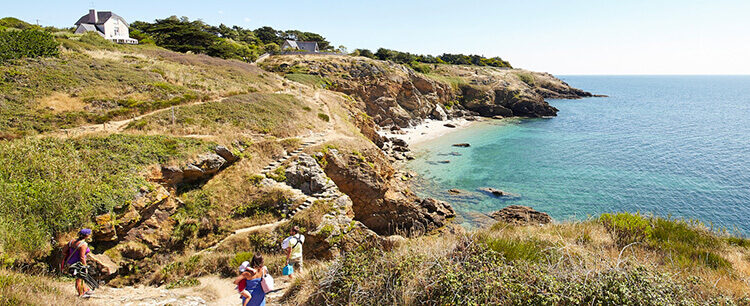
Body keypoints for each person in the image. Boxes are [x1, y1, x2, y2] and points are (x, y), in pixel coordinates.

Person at [60, 228, 98, 298]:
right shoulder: (83, 244)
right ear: (87, 236)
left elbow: (64, 251)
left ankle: (85, 290)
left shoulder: (71, 241)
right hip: (78, 264)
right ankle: (81, 294)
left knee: (81, 278)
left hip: (70, 263)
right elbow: (82, 257)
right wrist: (85, 266)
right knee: (79, 278)